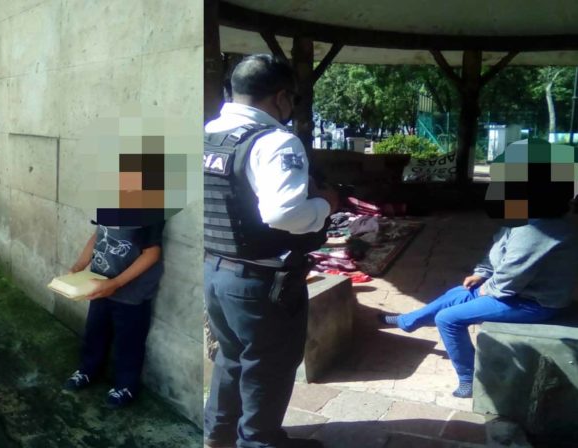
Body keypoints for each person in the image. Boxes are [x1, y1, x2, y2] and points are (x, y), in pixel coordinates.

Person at [203, 54, 339, 448]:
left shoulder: (208, 133)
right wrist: (326, 204)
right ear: (281, 97)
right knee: (270, 366)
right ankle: (259, 442)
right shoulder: (276, 141)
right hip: (261, 282)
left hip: (215, 271)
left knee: (231, 357)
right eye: (292, 99)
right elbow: (284, 213)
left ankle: (217, 434)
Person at [379, 139, 578, 398]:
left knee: (448, 319)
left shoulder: (539, 228)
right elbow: (499, 247)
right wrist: (482, 272)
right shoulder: (527, 216)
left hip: (535, 303)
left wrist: (489, 288)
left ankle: (470, 378)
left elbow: (513, 275)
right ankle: (408, 321)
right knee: (457, 293)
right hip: (519, 292)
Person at [62, 219, 165, 409]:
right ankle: (88, 370)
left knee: (129, 342)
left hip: (132, 293)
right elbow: (99, 234)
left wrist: (115, 284)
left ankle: (126, 386)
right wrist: (80, 265)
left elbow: (152, 254)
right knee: (95, 331)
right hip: (99, 284)